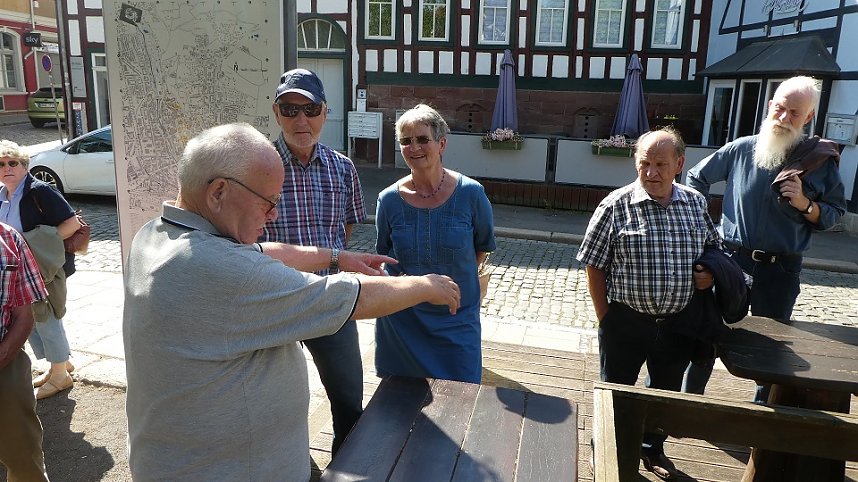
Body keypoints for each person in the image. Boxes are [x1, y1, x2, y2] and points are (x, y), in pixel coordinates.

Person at [123, 122, 461, 482]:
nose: (274, 216)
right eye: (268, 202)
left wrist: (337, 256)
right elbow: (349, 297)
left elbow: (266, 251)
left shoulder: (157, 234)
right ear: (218, 191)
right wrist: (425, 285)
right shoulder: (226, 272)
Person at [684, 76, 847, 398]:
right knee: (706, 339)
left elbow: (834, 212)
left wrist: (806, 205)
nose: (785, 118)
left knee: (771, 350)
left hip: (780, 271)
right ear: (770, 106)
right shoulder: (741, 148)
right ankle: (683, 407)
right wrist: (701, 228)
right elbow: (696, 177)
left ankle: (761, 428)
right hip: (731, 261)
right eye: (781, 109)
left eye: (795, 113)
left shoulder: (819, 162)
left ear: (809, 118)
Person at [577, 127, 720, 480]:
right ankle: (607, 449)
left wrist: (710, 274)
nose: (651, 173)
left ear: (679, 164)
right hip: (626, 320)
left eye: (660, 164)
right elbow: (593, 264)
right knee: (616, 392)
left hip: (678, 322)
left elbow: (713, 249)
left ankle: (652, 448)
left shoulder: (694, 203)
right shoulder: (614, 205)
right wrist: (605, 317)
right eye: (644, 164)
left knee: (665, 391)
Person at [260, 68, 368, 455]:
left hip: (327, 299)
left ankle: (344, 468)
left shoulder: (343, 168)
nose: (301, 120)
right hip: (273, 302)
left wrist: (330, 263)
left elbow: (348, 226)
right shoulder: (257, 167)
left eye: (311, 109)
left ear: (325, 112)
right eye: (290, 110)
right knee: (272, 406)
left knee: (348, 403)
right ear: (276, 113)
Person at [374, 104, 496, 384]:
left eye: (422, 139)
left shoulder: (471, 194)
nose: (414, 147)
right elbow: (385, 255)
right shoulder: (388, 200)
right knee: (399, 406)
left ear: (441, 143)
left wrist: (454, 283)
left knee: (461, 400)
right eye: (406, 141)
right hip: (402, 320)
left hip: (456, 317)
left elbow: (482, 245)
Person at [0, 140, 82, 399]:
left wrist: (38, 245)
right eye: (1, 164)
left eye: (13, 163)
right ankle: (60, 364)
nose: (7, 168)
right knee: (30, 318)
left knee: (46, 317)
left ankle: (60, 375)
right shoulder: (2, 196)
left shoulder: (39, 190)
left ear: (24, 166)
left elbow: (72, 224)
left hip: (44, 266)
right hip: (17, 271)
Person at [0, 221, 50, 482]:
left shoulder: (9, 239)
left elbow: (24, 315)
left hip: (5, 362)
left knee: (24, 457)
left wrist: (5, 353)